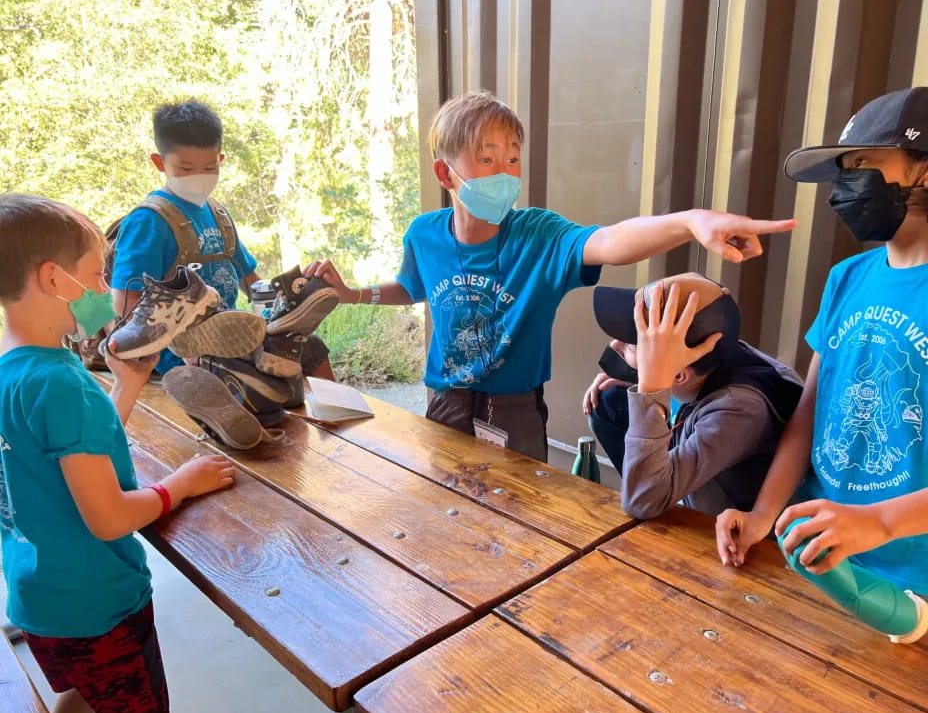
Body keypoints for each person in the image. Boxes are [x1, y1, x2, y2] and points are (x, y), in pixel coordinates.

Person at [306, 90, 796, 461]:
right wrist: (353, 294)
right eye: (486, 157)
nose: (503, 170)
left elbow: (611, 241)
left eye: (512, 157)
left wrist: (689, 222)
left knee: (517, 515)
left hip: (514, 407)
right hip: (446, 399)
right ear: (444, 172)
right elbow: (412, 287)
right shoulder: (425, 233)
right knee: (444, 502)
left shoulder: (539, 233)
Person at [0, 193, 237, 713]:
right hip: (98, 606)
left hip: (39, 597)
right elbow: (107, 518)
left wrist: (125, 386)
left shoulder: (13, 372)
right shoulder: (61, 382)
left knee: (83, 694)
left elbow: (69, 455)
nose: (106, 292)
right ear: (54, 279)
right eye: (95, 275)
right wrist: (179, 484)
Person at [715, 87, 928, 596]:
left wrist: (875, 523)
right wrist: (763, 515)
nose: (845, 187)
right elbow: (810, 416)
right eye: (844, 169)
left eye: (864, 164)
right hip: (811, 555)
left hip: (907, 586)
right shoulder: (847, 278)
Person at [109, 98, 335, 380]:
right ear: (160, 162)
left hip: (232, 339)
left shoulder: (217, 214)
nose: (198, 177)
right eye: (186, 168)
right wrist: (167, 346)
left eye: (209, 167)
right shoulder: (149, 221)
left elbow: (252, 282)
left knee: (311, 350)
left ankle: (334, 422)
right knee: (255, 382)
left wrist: (283, 304)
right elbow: (124, 303)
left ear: (221, 160)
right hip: (177, 356)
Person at [585, 272, 802, 518]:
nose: (615, 345)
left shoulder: (738, 409)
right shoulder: (716, 350)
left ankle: (663, 493)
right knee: (610, 399)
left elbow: (640, 502)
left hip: (735, 533)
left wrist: (651, 387)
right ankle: (658, 484)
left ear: (679, 375)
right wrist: (640, 378)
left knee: (645, 496)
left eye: (632, 344)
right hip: (702, 450)